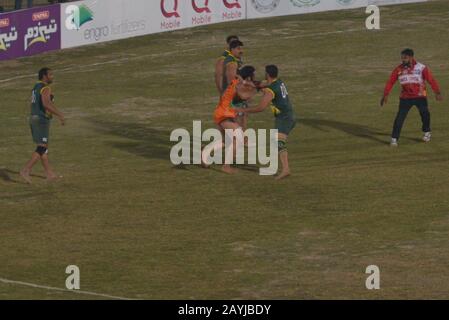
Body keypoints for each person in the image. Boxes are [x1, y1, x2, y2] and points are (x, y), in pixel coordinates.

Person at [235, 65, 296, 180]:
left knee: (279, 142)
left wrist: (243, 110)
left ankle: (286, 169)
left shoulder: (270, 90)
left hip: (284, 118)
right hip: (287, 115)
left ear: (267, 74)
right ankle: (284, 168)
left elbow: (260, 107)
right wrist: (245, 82)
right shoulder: (278, 82)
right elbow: (260, 84)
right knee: (277, 141)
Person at [381, 48, 443, 146]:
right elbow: (390, 82)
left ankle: (427, 132)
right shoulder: (398, 69)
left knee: (425, 114)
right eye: (402, 58)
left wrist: (437, 92)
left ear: (411, 57)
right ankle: (394, 138)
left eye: (405, 58)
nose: (403, 60)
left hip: (420, 97)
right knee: (399, 118)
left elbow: (431, 80)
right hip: (405, 98)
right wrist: (385, 94)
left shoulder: (421, 68)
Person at [202, 66, 257, 174]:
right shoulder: (240, 85)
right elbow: (244, 97)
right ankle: (226, 166)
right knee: (238, 140)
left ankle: (205, 153)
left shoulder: (238, 82)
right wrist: (254, 88)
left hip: (222, 113)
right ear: (249, 76)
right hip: (224, 114)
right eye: (253, 75)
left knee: (227, 141)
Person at [20, 68, 65, 183]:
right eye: (50, 74)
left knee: (44, 146)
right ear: (44, 76)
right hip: (41, 119)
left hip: (35, 118)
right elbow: (46, 104)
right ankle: (26, 169)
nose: (52, 76)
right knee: (42, 146)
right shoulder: (45, 88)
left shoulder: (36, 87)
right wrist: (60, 114)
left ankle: (50, 174)